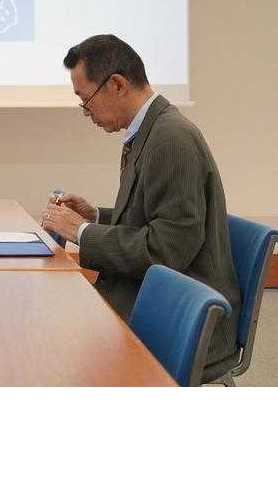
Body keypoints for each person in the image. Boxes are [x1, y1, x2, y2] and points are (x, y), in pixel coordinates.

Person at [42, 34, 242, 381]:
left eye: (85, 99)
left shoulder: (171, 139)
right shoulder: (151, 130)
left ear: (117, 85)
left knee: (51, 338)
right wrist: (96, 216)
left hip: (183, 318)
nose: (86, 112)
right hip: (156, 295)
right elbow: (155, 220)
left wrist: (82, 233)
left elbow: (166, 250)